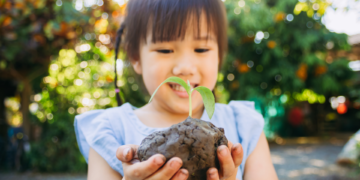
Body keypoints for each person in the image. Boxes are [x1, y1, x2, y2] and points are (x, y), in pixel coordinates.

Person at [74, 0, 278, 179]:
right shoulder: (110, 133)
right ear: (136, 58)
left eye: (201, 49)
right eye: (165, 50)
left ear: (219, 56)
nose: (185, 67)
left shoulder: (244, 126)